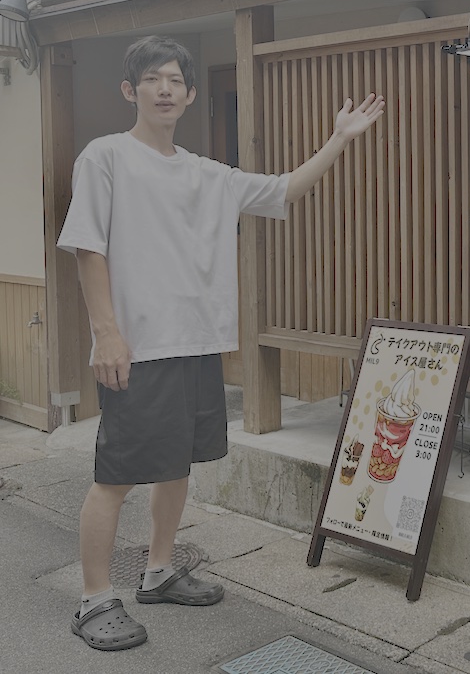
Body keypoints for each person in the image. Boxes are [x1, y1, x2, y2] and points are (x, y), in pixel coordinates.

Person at [56, 35, 385, 651]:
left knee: (177, 465)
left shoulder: (207, 173)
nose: (164, 89)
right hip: (138, 346)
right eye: (152, 79)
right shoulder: (106, 157)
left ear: (189, 94)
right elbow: (87, 246)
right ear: (130, 90)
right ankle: (94, 598)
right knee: (117, 475)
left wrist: (339, 139)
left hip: (195, 341)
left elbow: (285, 189)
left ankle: (158, 571)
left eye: (175, 81)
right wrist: (106, 334)